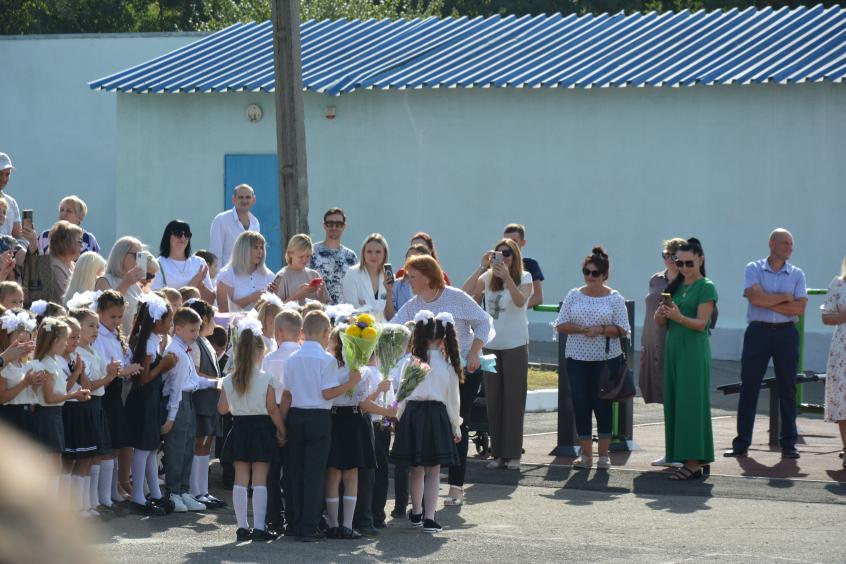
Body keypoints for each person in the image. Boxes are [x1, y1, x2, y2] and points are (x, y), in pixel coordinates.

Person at [393, 255, 493, 507]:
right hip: (430, 375)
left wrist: (473, 353)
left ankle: (456, 487)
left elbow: (484, 321)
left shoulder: (456, 297)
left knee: (458, 422)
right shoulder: (413, 305)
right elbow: (394, 329)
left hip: (462, 371)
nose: (409, 282)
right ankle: (420, 492)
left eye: (412, 276)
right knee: (427, 425)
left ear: (428, 276)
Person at [725, 229, 807, 459]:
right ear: (771, 243)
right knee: (749, 387)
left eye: (791, 244)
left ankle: (789, 443)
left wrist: (767, 300)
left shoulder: (797, 274)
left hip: (786, 334)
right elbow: (754, 299)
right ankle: (742, 443)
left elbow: (799, 308)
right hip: (758, 332)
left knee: (788, 388)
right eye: (784, 243)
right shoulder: (753, 268)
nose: (789, 247)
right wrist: (786, 297)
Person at [282, 310, 361, 542]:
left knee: (295, 471)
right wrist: (351, 383)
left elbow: (287, 393)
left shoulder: (292, 358)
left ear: (304, 332)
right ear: (327, 332)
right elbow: (327, 393)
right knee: (314, 474)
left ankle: (296, 523)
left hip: (295, 415)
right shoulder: (326, 360)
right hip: (318, 418)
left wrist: (282, 425)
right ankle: (309, 526)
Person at [554, 247, 631, 470]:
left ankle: (604, 455)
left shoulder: (615, 298)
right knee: (581, 403)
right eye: (586, 272)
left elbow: (623, 329)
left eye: (595, 273)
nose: (590, 277)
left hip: (606, 359)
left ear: (604, 275)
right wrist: (581, 329)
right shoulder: (574, 294)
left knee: (603, 404)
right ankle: (586, 455)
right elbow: (561, 323)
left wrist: (601, 329)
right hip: (577, 358)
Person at [463, 238, 533, 470]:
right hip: (491, 345)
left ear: (515, 256)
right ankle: (498, 453)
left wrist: (507, 279)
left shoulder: (525, 277)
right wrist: (482, 267)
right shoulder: (487, 277)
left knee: (513, 400)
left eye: (507, 253)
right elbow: (465, 292)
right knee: (494, 399)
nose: (502, 257)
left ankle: (513, 454)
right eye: (498, 253)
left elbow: (521, 301)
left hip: (515, 345)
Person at [390, 310, 462, 534]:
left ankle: (417, 512)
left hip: (412, 416)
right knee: (433, 470)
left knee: (417, 469)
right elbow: (453, 400)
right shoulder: (448, 367)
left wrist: (397, 417)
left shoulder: (411, 363)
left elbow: (401, 394)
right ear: (443, 339)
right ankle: (430, 518)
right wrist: (455, 424)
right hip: (437, 417)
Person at [218, 316, 286, 543]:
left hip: (240, 428)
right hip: (261, 429)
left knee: (240, 478)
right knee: (260, 478)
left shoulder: (230, 379)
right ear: (259, 352)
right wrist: (282, 429)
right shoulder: (266, 378)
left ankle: (241, 527)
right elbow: (272, 409)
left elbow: (222, 409)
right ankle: (259, 527)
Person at [654, 238, 718, 480]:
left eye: (689, 263)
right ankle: (681, 457)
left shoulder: (706, 287)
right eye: (679, 263)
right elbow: (661, 323)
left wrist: (678, 317)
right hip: (674, 349)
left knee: (691, 404)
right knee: (675, 403)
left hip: (693, 350)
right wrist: (662, 315)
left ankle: (694, 461)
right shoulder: (676, 285)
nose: (683, 268)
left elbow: (702, 324)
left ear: (700, 259)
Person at [324, 327, 393, 540]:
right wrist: (387, 411)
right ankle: (344, 525)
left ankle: (336, 524)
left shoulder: (331, 366)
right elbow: (363, 403)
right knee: (349, 475)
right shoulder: (357, 371)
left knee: (335, 474)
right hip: (352, 420)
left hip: (336, 419)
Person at [161, 307, 218, 513]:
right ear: (178, 329)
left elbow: (193, 380)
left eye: (197, 330)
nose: (196, 334)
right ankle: (173, 492)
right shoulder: (174, 350)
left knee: (187, 449)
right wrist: (172, 416)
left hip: (188, 400)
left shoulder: (184, 349)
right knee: (176, 449)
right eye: (192, 330)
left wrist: (215, 383)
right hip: (178, 403)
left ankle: (184, 490)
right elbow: (176, 387)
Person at [124, 294, 177, 514]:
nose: (170, 325)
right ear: (157, 322)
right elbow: (144, 378)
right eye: (168, 321)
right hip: (143, 399)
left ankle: (154, 493)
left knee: (151, 447)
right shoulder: (145, 342)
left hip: (151, 399)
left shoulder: (154, 339)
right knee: (143, 448)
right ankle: (138, 495)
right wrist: (163, 365)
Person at [68, 305, 121, 517]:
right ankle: (76, 506)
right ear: (77, 327)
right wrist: (109, 376)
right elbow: (88, 384)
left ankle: (88, 503)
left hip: (96, 406)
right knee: (82, 458)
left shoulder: (93, 350)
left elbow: (100, 387)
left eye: (97, 326)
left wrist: (108, 376)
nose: (95, 330)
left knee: (91, 458)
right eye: (91, 326)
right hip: (82, 407)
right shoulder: (77, 353)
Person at [91, 290, 141, 510]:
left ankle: (113, 490)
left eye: (120, 316)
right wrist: (123, 370)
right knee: (108, 444)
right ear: (99, 312)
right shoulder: (98, 336)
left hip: (116, 392)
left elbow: (123, 358)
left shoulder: (113, 334)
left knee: (116, 442)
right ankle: (104, 493)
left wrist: (129, 368)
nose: (117, 321)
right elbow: (103, 366)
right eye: (112, 316)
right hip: (107, 391)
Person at [262, 308, 303, 535]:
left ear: (279, 331)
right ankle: (295, 516)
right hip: (298, 412)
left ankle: (274, 517)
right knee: (294, 469)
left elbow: (266, 390)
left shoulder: (270, 358)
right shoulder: (302, 356)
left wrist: (278, 426)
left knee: (272, 471)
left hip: (273, 411)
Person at [186, 299, 226, 509]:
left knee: (206, 447)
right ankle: (195, 491)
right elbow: (195, 372)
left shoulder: (206, 342)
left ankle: (203, 491)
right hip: (202, 400)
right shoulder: (194, 344)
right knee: (198, 445)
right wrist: (216, 382)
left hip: (211, 402)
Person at [640, 238, 686, 409]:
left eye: (673, 256)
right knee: (657, 392)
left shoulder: (688, 281)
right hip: (652, 338)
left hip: (673, 339)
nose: (669, 259)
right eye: (666, 255)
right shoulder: (656, 279)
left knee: (674, 391)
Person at [95, 237, 152, 335]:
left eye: (142, 257)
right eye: (137, 256)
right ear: (121, 255)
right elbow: (106, 310)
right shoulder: (104, 281)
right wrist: (125, 283)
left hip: (129, 342)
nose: (140, 261)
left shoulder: (135, 285)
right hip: (111, 339)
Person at [151, 220, 214, 303]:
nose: (183, 238)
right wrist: (193, 284)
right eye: (178, 233)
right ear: (168, 236)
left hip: (196, 314)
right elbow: (156, 298)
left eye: (187, 234)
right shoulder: (158, 264)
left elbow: (210, 300)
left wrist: (202, 287)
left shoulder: (199, 262)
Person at [821, 257, 846, 470]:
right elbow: (826, 317)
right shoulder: (838, 284)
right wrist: (844, 315)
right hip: (842, 350)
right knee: (843, 401)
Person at [0, 309, 39, 436]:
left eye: (28, 342)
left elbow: (30, 399)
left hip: (26, 417)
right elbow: (2, 398)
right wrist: (25, 383)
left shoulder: (25, 364)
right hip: (10, 417)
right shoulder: (5, 365)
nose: (25, 346)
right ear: (6, 338)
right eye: (20, 342)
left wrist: (35, 384)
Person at [23, 220, 83, 304]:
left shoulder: (72, 264)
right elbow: (66, 300)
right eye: (79, 241)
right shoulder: (54, 268)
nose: (82, 245)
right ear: (66, 243)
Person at [216, 231, 275, 313]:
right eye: (255, 247)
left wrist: (274, 296)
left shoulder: (269, 275)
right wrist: (251, 298)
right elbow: (223, 310)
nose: (260, 251)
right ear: (243, 249)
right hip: (235, 324)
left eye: (261, 247)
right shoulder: (227, 275)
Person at [309, 208, 357, 305]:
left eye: (338, 224)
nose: (334, 227)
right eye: (330, 224)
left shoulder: (351, 256)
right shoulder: (311, 252)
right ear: (324, 226)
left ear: (344, 226)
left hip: (344, 312)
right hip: (317, 310)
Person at [342, 234, 394, 321]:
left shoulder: (388, 276)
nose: (373, 256)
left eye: (378, 252)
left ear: (385, 254)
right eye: (369, 252)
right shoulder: (352, 274)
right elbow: (351, 312)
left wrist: (389, 292)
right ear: (363, 253)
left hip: (384, 330)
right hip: (360, 329)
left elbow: (390, 317)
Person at [209, 184, 260, 267]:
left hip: (249, 276)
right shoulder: (221, 220)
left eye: (248, 197)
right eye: (241, 197)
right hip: (227, 277)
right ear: (233, 199)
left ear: (254, 200)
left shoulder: (255, 223)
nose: (244, 201)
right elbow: (215, 255)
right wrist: (219, 278)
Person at [271, 234, 327, 305]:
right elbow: (276, 308)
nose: (305, 260)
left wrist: (321, 295)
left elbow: (325, 306)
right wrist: (298, 295)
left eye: (308, 256)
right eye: (301, 256)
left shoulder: (314, 274)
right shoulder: (281, 276)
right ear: (290, 253)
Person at [503, 224, 544, 308]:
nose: (510, 246)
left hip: (516, 319)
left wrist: (515, 310)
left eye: (514, 241)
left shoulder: (530, 264)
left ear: (523, 242)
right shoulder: (496, 263)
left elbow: (538, 298)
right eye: (506, 241)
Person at [393, 244, 430, 312]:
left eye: (416, 260)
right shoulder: (396, 286)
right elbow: (390, 318)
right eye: (409, 259)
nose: (411, 263)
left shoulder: (434, 287)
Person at [0, 153, 21, 238]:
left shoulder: (11, 203)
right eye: (0, 174)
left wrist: (30, 237)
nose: (4, 179)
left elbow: (18, 238)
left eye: (7, 174)